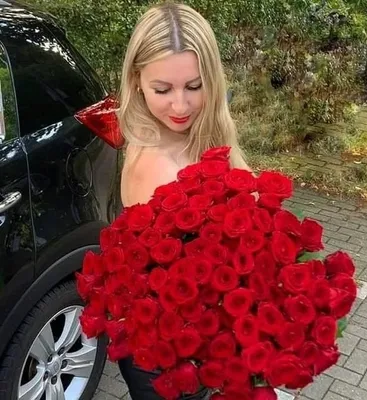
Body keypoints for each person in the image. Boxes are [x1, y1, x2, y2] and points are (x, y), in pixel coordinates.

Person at [117, 2, 249, 398]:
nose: (180, 106)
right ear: (137, 81)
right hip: (168, 359)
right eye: (162, 90)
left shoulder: (193, 134)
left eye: (194, 86)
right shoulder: (158, 165)